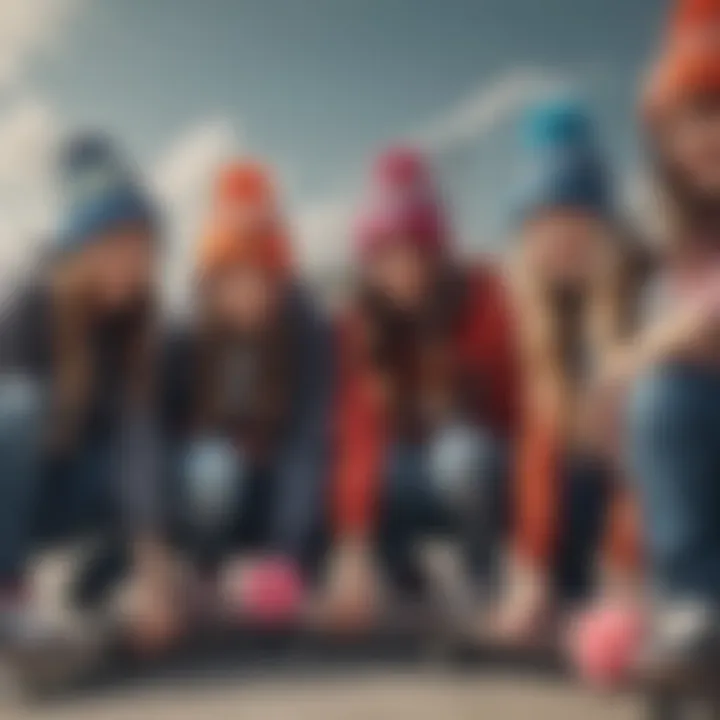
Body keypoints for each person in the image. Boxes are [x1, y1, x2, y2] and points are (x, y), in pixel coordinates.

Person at [323, 147, 518, 629]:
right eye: (387, 254)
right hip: (406, 473)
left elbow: (519, 409)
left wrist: (533, 557)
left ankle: (484, 575)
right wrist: (353, 549)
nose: (404, 268)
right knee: (374, 472)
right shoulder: (358, 324)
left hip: (482, 470)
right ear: (368, 260)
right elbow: (358, 435)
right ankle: (398, 573)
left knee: (462, 456)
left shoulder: (483, 297)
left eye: (416, 250)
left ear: (438, 250)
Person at [0, 134, 176, 652]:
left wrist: (154, 572)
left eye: (139, 245)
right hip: (11, 494)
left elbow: (138, 443)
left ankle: (99, 592)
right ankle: (6, 590)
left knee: (154, 465)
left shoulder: (138, 327)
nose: (128, 260)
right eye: (110, 244)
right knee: (18, 405)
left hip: (62, 497)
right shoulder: (31, 304)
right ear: (79, 250)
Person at [496, 98, 642, 644]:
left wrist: (625, 571)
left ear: (601, 222)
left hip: (657, 515)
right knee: (555, 457)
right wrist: (530, 567)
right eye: (542, 221)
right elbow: (537, 451)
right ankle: (562, 585)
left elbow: (643, 457)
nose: (558, 236)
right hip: (587, 506)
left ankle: (630, 586)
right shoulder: (536, 316)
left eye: (573, 217)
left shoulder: (640, 295)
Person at [162, 161, 333, 625]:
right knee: (212, 469)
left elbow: (308, 440)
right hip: (207, 492)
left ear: (279, 279)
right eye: (230, 278)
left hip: (278, 489)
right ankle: (203, 570)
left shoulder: (305, 328)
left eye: (259, 277)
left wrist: (286, 552)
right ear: (209, 282)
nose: (245, 292)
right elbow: (157, 435)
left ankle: (290, 567)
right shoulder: (183, 333)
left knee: (315, 475)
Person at [602, 0, 720, 668]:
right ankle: (694, 609)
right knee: (660, 399)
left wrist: (651, 349)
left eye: (717, 112)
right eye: (683, 122)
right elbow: (643, 437)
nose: (701, 137)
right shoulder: (666, 257)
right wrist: (622, 565)